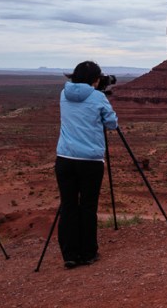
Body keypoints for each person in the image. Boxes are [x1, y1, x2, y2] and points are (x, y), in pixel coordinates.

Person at [56, 61, 118, 268]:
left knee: (68, 206)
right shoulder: (98, 96)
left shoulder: (63, 94)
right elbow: (111, 124)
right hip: (90, 161)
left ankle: (70, 255)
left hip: (64, 158)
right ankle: (88, 252)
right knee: (88, 207)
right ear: (96, 79)